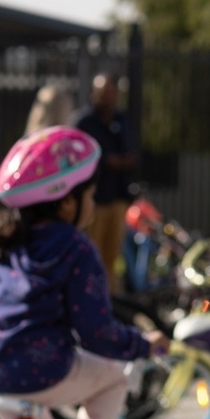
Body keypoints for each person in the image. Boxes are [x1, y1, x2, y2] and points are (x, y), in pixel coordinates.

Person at [0, 126, 167, 419]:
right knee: (112, 379)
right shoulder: (76, 249)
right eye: (89, 194)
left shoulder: (0, 243)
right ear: (65, 202)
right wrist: (141, 345)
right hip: (42, 371)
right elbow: (96, 333)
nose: (92, 202)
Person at [71, 74, 137, 292]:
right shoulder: (84, 122)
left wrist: (119, 161)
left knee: (112, 257)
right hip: (94, 200)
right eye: (102, 93)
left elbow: (131, 152)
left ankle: (112, 301)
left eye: (110, 93)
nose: (107, 98)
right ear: (93, 94)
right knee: (92, 255)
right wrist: (108, 161)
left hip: (118, 198)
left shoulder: (122, 119)